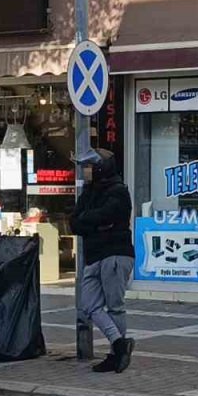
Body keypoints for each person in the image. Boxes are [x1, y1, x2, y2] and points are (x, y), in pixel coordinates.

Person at [72, 148, 135, 373]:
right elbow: (74, 223)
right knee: (88, 305)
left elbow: (104, 216)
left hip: (115, 254)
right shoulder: (88, 192)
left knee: (115, 306)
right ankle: (120, 344)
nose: (85, 171)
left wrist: (90, 221)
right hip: (95, 255)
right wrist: (94, 222)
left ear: (99, 167)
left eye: (88, 167)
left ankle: (114, 355)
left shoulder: (118, 191)